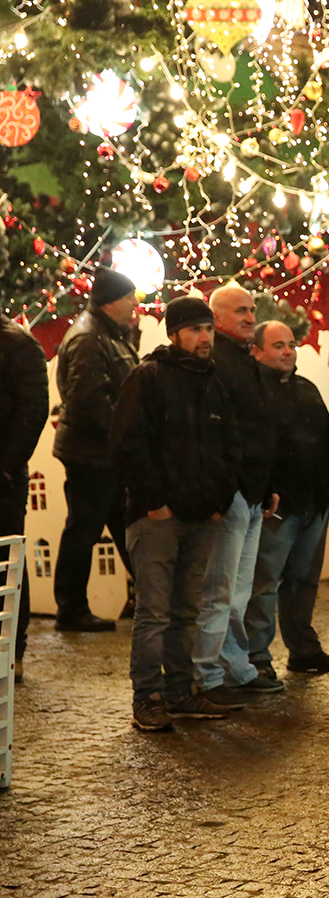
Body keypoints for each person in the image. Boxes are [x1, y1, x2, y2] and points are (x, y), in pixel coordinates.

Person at [110, 297, 242, 730]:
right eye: (194, 330)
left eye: (208, 329)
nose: (204, 338)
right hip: (157, 520)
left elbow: (228, 449)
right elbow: (129, 445)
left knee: (186, 609)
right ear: (173, 335)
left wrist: (218, 504)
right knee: (154, 613)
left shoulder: (214, 381)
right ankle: (147, 698)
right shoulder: (147, 378)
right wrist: (155, 503)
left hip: (202, 517)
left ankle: (180, 692)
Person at [196, 283, 286, 703]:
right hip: (230, 494)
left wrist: (267, 487)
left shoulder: (242, 361)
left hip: (249, 494)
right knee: (220, 592)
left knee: (238, 592)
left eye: (252, 310)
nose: (250, 317)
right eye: (240, 311)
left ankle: (234, 666)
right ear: (216, 319)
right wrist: (223, 492)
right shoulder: (214, 364)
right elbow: (214, 437)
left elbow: (259, 430)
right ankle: (210, 674)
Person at [243, 321, 329, 675]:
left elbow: (327, 440)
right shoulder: (252, 392)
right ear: (256, 351)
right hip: (278, 506)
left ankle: (303, 648)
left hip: (315, 503)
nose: (288, 351)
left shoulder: (306, 387)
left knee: (304, 581)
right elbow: (254, 449)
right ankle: (256, 656)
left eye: (291, 344)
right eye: (278, 346)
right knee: (264, 583)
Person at [51, 268, 139, 633]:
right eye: (130, 298)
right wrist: (124, 438)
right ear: (112, 302)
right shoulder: (89, 338)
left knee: (123, 523)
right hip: (92, 453)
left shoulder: (106, 333)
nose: (135, 304)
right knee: (84, 528)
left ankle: (150, 594)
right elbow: (91, 402)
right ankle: (71, 609)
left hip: (103, 452)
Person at [0, 309, 47, 684]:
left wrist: (5, 465)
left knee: (8, 564)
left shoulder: (16, 343)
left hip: (3, 478)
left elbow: (32, 413)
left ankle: (12, 652)